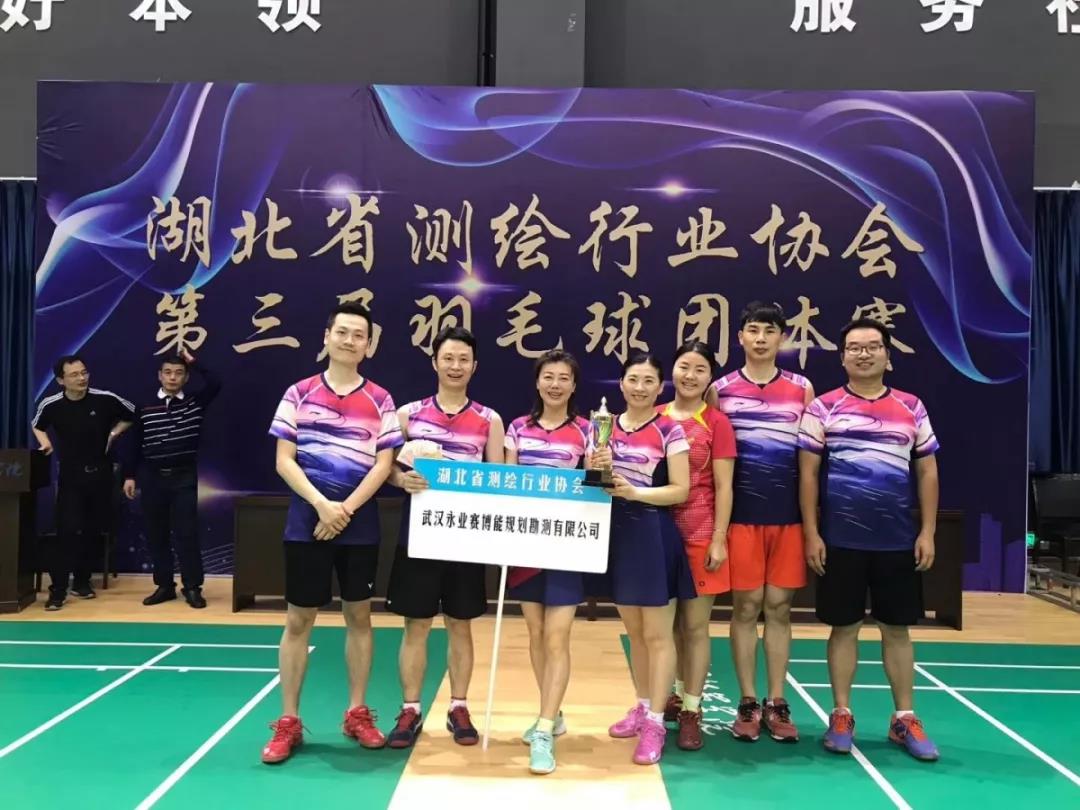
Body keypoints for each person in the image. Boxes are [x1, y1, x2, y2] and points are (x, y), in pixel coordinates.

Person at [260, 302, 403, 765]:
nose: (349, 340)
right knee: (298, 621)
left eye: (358, 335)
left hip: (360, 526)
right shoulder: (298, 393)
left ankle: (357, 713)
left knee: (359, 617)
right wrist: (322, 505)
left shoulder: (381, 399)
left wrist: (345, 510)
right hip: (308, 523)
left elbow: (383, 465)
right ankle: (288, 720)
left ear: (369, 345)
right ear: (326, 337)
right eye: (342, 332)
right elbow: (284, 460)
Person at [798, 318, 941, 762]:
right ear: (842, 356)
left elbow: (927, 470)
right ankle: (841, 714)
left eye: (873, 346)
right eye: (855, 347)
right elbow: (808, 474)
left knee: (897, 628)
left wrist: (927, 531)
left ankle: (904, 717)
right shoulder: (823, 407)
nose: (864, 354)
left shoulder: (911, 406)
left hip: (896, 539)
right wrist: (812, 533)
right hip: (840, 539)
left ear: (887, 356)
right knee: (844, 627)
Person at [384, 326, 505, 749]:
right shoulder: (408, 414)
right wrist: (402, 480)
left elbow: (497, 479)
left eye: (463, 359)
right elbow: (388, 468)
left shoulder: (489, 420)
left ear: (475, 366)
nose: (456, 366)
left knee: (460, 623)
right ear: (435, 362)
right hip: (418, 534)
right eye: (448, 358)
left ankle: (459, 706)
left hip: (465, 537)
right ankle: (410, 708)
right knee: (416, 624)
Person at [707, 301, 812, 743]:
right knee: (747, 607)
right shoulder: (721, 389)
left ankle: (777, 700)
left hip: (787, 517)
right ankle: (748, 700)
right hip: (742, 518)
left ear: (782, 338)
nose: (761, 338)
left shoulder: (801, 388)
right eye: (753, 330)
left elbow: (810, 459)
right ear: (741, 337)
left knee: (780, 608)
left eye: (770, 331)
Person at [588, 352, 692, 766]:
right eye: (633, 379)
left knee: (658, 635)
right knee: (634, 633)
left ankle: (656, 723)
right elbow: (593, 483)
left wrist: (635, 492)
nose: (640, 387)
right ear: (621, 383)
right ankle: (642, 704)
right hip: (616, 534)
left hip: (652, 533)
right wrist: (595, 468)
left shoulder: (670, 430)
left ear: (659, 386)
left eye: (649, 380)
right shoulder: (604, 426)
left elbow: (680, 490)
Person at [504, 349, 590, 775]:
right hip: (526, 543)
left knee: (557, 637)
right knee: (536, 634)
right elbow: (507, 482)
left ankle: (542, 729)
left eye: (564, 378)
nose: (555, 385)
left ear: (574, 386)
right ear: (538, 382)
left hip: (568, 543)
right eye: (548, 377)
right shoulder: (517, 428)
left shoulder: (589, 431)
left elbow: (597, 485)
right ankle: (551, 714)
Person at [656, 341, 736, 750]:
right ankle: (668, 695)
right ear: (672, 371)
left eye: (700, 369)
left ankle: (692, 708)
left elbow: (724, 486)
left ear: (710, 379)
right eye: (684, 366)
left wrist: (719, 538)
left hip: (700, 535)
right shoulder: (654, 416)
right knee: (664, 627)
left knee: (694, 627)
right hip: (656, 535)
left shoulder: (717, 423)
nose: (690, 376)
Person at [31, 355, 135, 611]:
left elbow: (133, 413)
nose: (82, 378)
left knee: (92, 530)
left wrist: (115, 432)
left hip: (100, 475)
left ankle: (82, 581)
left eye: (84, 372)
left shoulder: (105, 398)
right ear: (61, 380)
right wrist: (45, 443)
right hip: (71, 477)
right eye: (75, 375)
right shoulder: (51, 404)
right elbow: (37, 424)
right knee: (66, 531)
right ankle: (57, 591)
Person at [122, 349, 221, 609]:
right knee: (156, 534)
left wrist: (193, 361)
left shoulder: (195, 402)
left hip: (183, 477)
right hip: (152, 477)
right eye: (167, 373)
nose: (172, 377)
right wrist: (129, 475)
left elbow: (216, 382)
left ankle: (192, 587)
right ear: (160, 376)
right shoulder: (144, 405)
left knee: (186, 533)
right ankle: (164, 586)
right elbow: (134, 443)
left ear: (186, 377)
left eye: (178, 373)